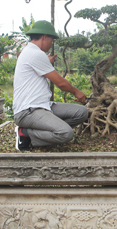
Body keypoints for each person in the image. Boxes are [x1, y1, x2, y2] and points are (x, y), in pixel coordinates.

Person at [13, 20, 89, 151]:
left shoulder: (31, 52)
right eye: (51, 39)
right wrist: (77, 92)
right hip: (28, 111)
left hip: (42, 106)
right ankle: (25, 134)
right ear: (44, 37)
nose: (51, 43)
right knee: (66, 133)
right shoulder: (35, 54)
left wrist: (47, 61)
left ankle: (48, 130)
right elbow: (61, 83)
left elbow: (37, 66)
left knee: (81, 112)